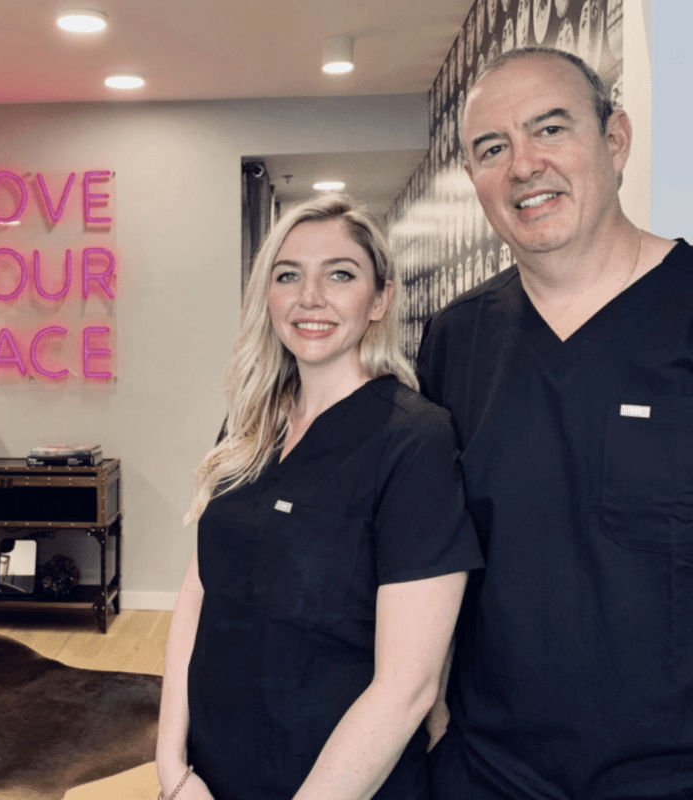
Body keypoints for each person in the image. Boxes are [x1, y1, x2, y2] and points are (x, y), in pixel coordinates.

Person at [418, 46, 693, 799]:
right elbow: (430, 557)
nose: (523, 166)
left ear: (615, 141)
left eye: (550, 129)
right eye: (492, 149)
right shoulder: (452, 341)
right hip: (485, 771)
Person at [156, 194, 483, 800]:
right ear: (267, 298)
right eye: (288, 276)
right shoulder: (247, 427)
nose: (311, 297)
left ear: (379, 299)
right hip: (208, 775)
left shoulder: (415, 440)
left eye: (340, 274)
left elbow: (408, 687)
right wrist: (172, 768)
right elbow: (200, 593)